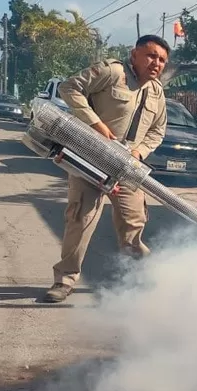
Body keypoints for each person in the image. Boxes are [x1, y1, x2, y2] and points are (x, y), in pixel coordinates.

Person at [41, 35, 170, 304]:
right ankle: (64, 280)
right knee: (81, 220)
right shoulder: (112, 72)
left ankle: (136, 277)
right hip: (91, 158)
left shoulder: (157, 92)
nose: (156, 63)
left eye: (162, 60)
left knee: (133, 222)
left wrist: (139, 151)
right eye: (151, 55)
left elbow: (157, 131)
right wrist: (95, 123)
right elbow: (69, 88)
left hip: (127, 167)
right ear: (134, 54)